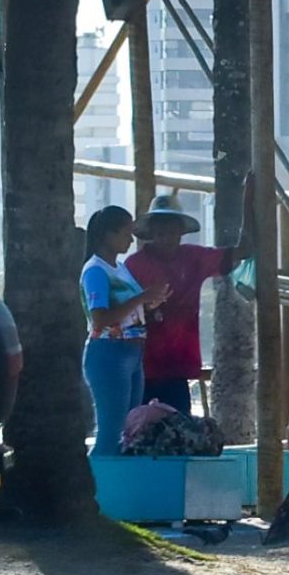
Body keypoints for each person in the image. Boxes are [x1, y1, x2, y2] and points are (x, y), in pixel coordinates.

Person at [125, 191, 240, 417]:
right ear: (151, 231)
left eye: (171, 228)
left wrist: (248, 203)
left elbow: (239, 252)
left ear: (180, 231)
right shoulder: (133, 265)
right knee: (138, 432)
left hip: (177, 367)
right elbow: (119, 313)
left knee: (179, 431)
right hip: (141, 367)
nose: (166, 234)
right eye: (160, 228)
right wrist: (146, 306)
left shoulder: (193, 258)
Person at [80, 204, 162, 458]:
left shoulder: (120, 268)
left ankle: (114, 486)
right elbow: (100, 319)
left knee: (129, 429)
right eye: (125, 232)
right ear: (107, 235)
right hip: (109, 354)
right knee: (111, 430)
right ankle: (96, 486)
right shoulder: (95, 270)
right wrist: (141, 299)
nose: (130, 238)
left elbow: (126, 308)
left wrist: (150, 304)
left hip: (131, 353)